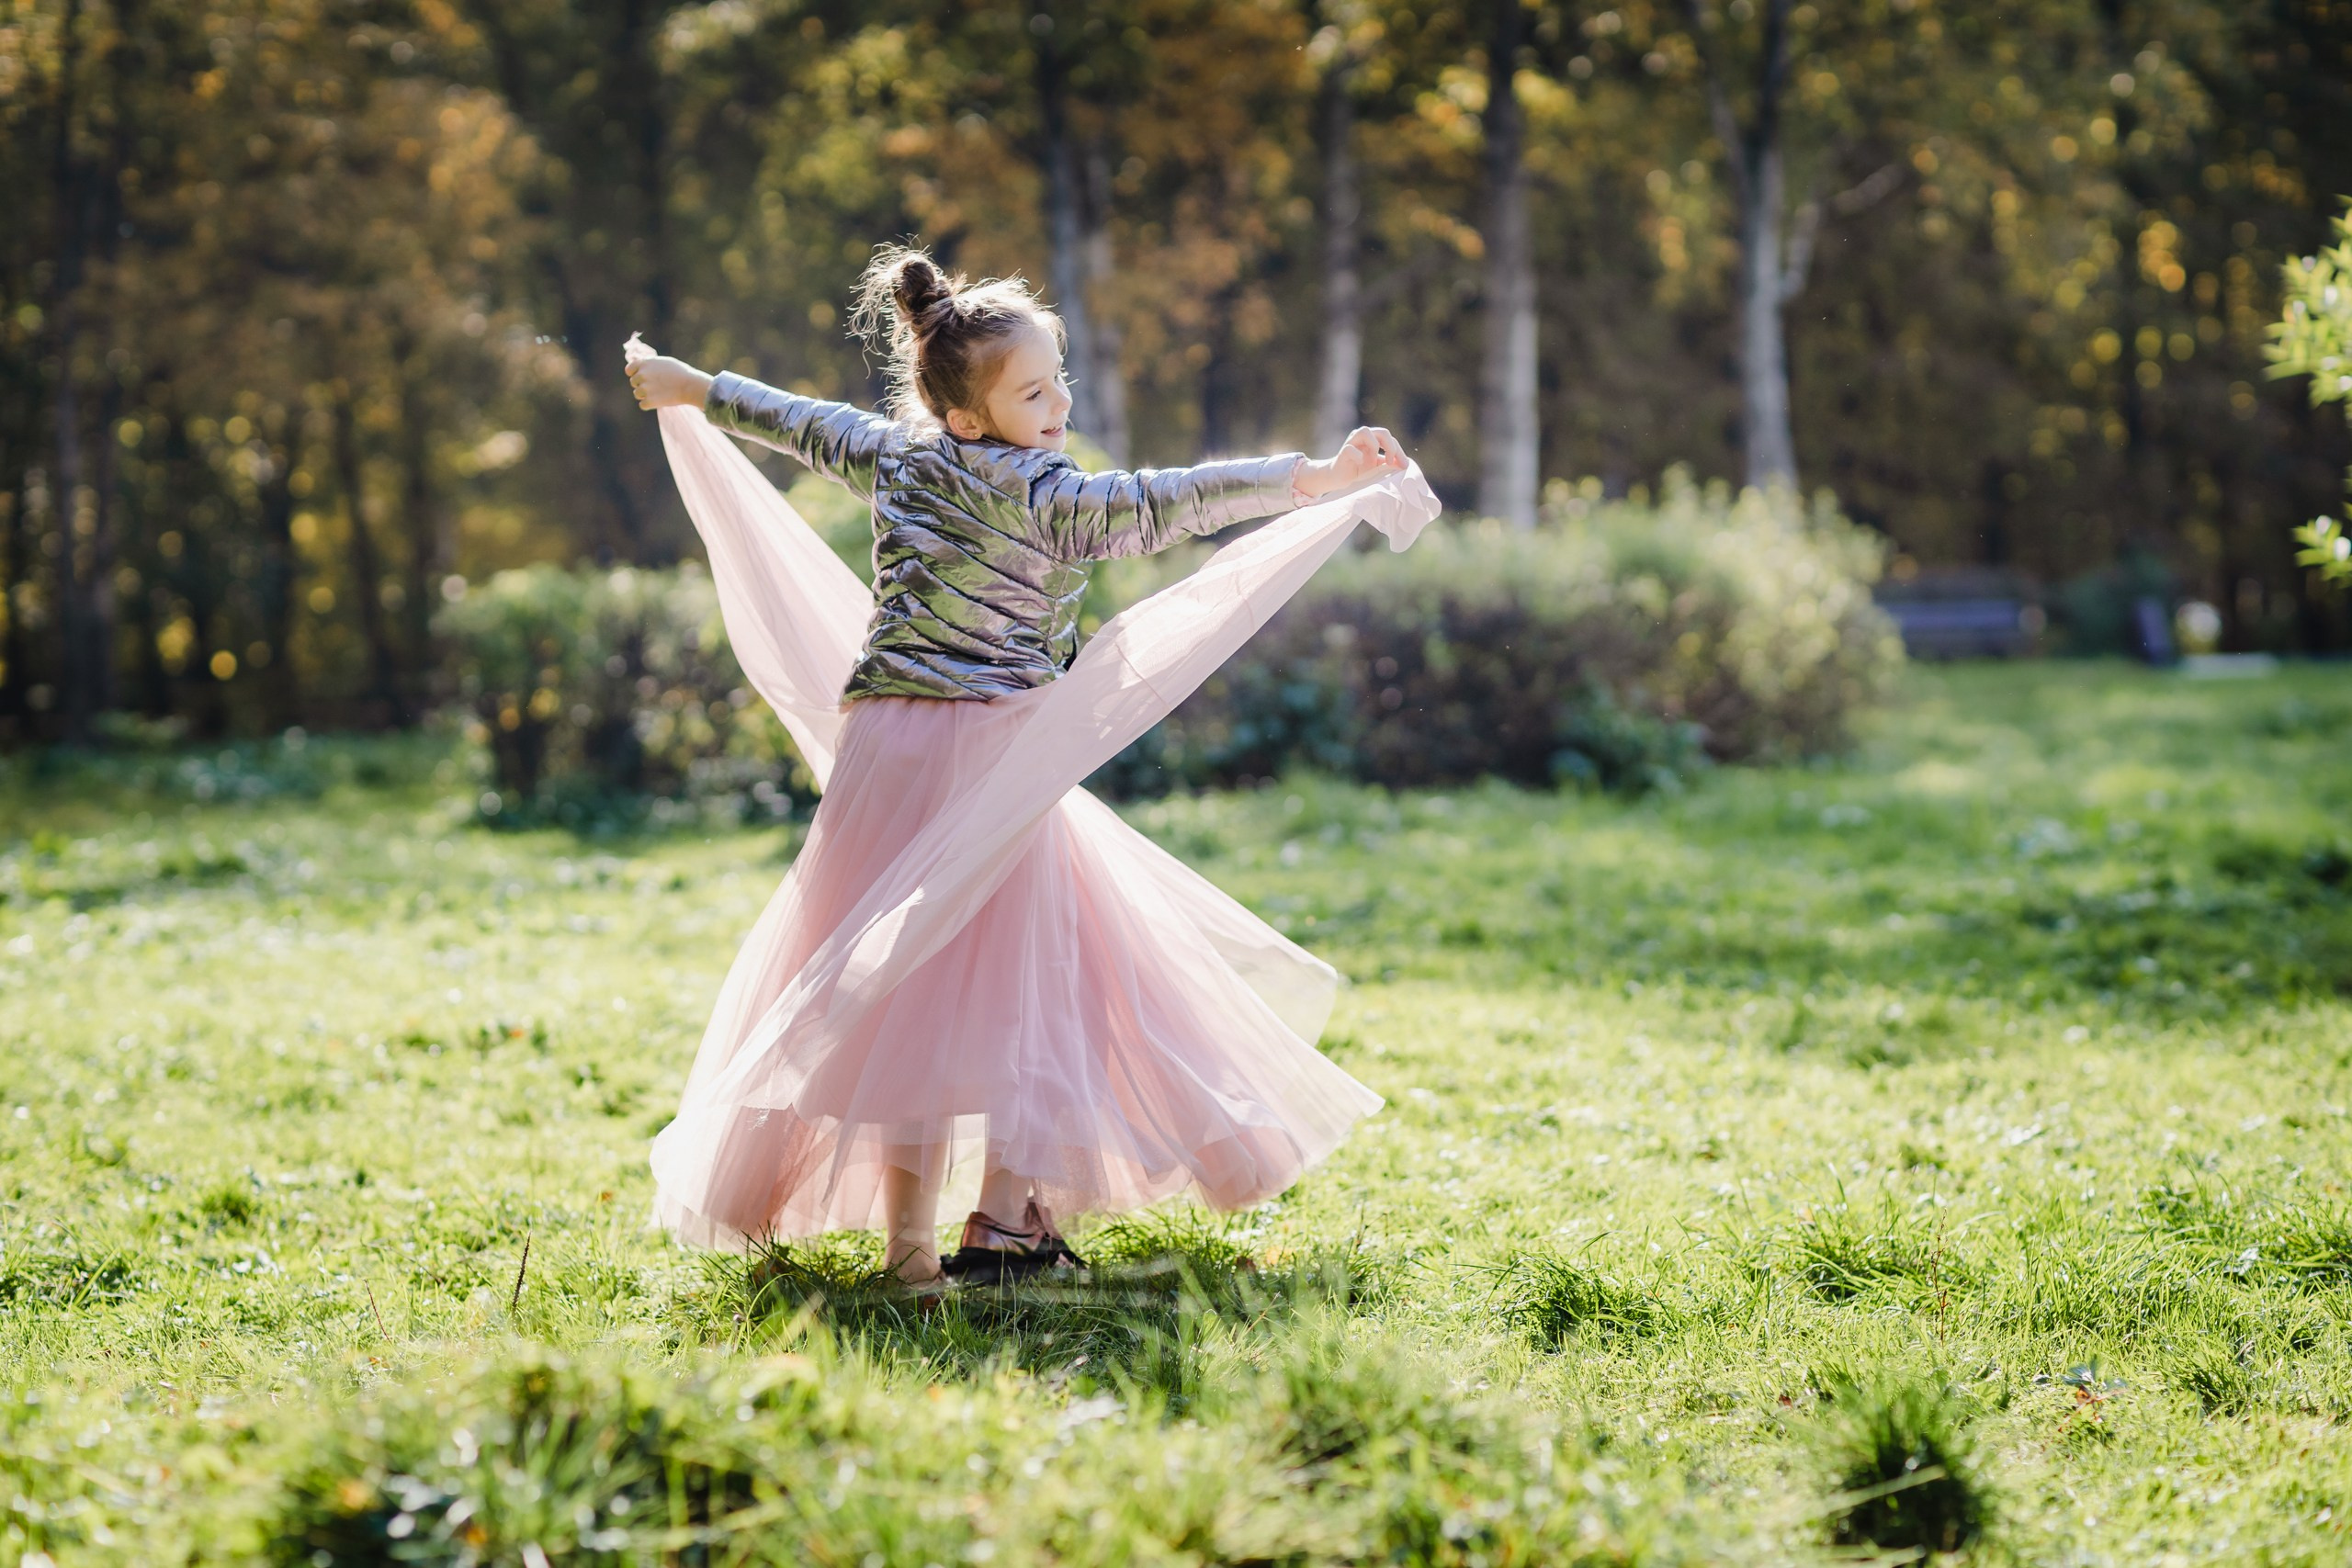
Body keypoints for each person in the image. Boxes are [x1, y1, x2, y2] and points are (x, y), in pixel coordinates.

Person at [625, 246, 1422, 1289]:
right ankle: (999, 1227)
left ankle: (925, 1250)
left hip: (885, 755)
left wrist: (694, 387)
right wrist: (1306, 480)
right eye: (1035, 392)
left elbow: (798, 419)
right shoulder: (1046, 493)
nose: (1058, 407)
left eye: (1061, 384)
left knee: (897, 989)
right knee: (1025, 980)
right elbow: (1158, 502)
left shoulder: (896, 455)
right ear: (967, 415)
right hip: (992, 754)